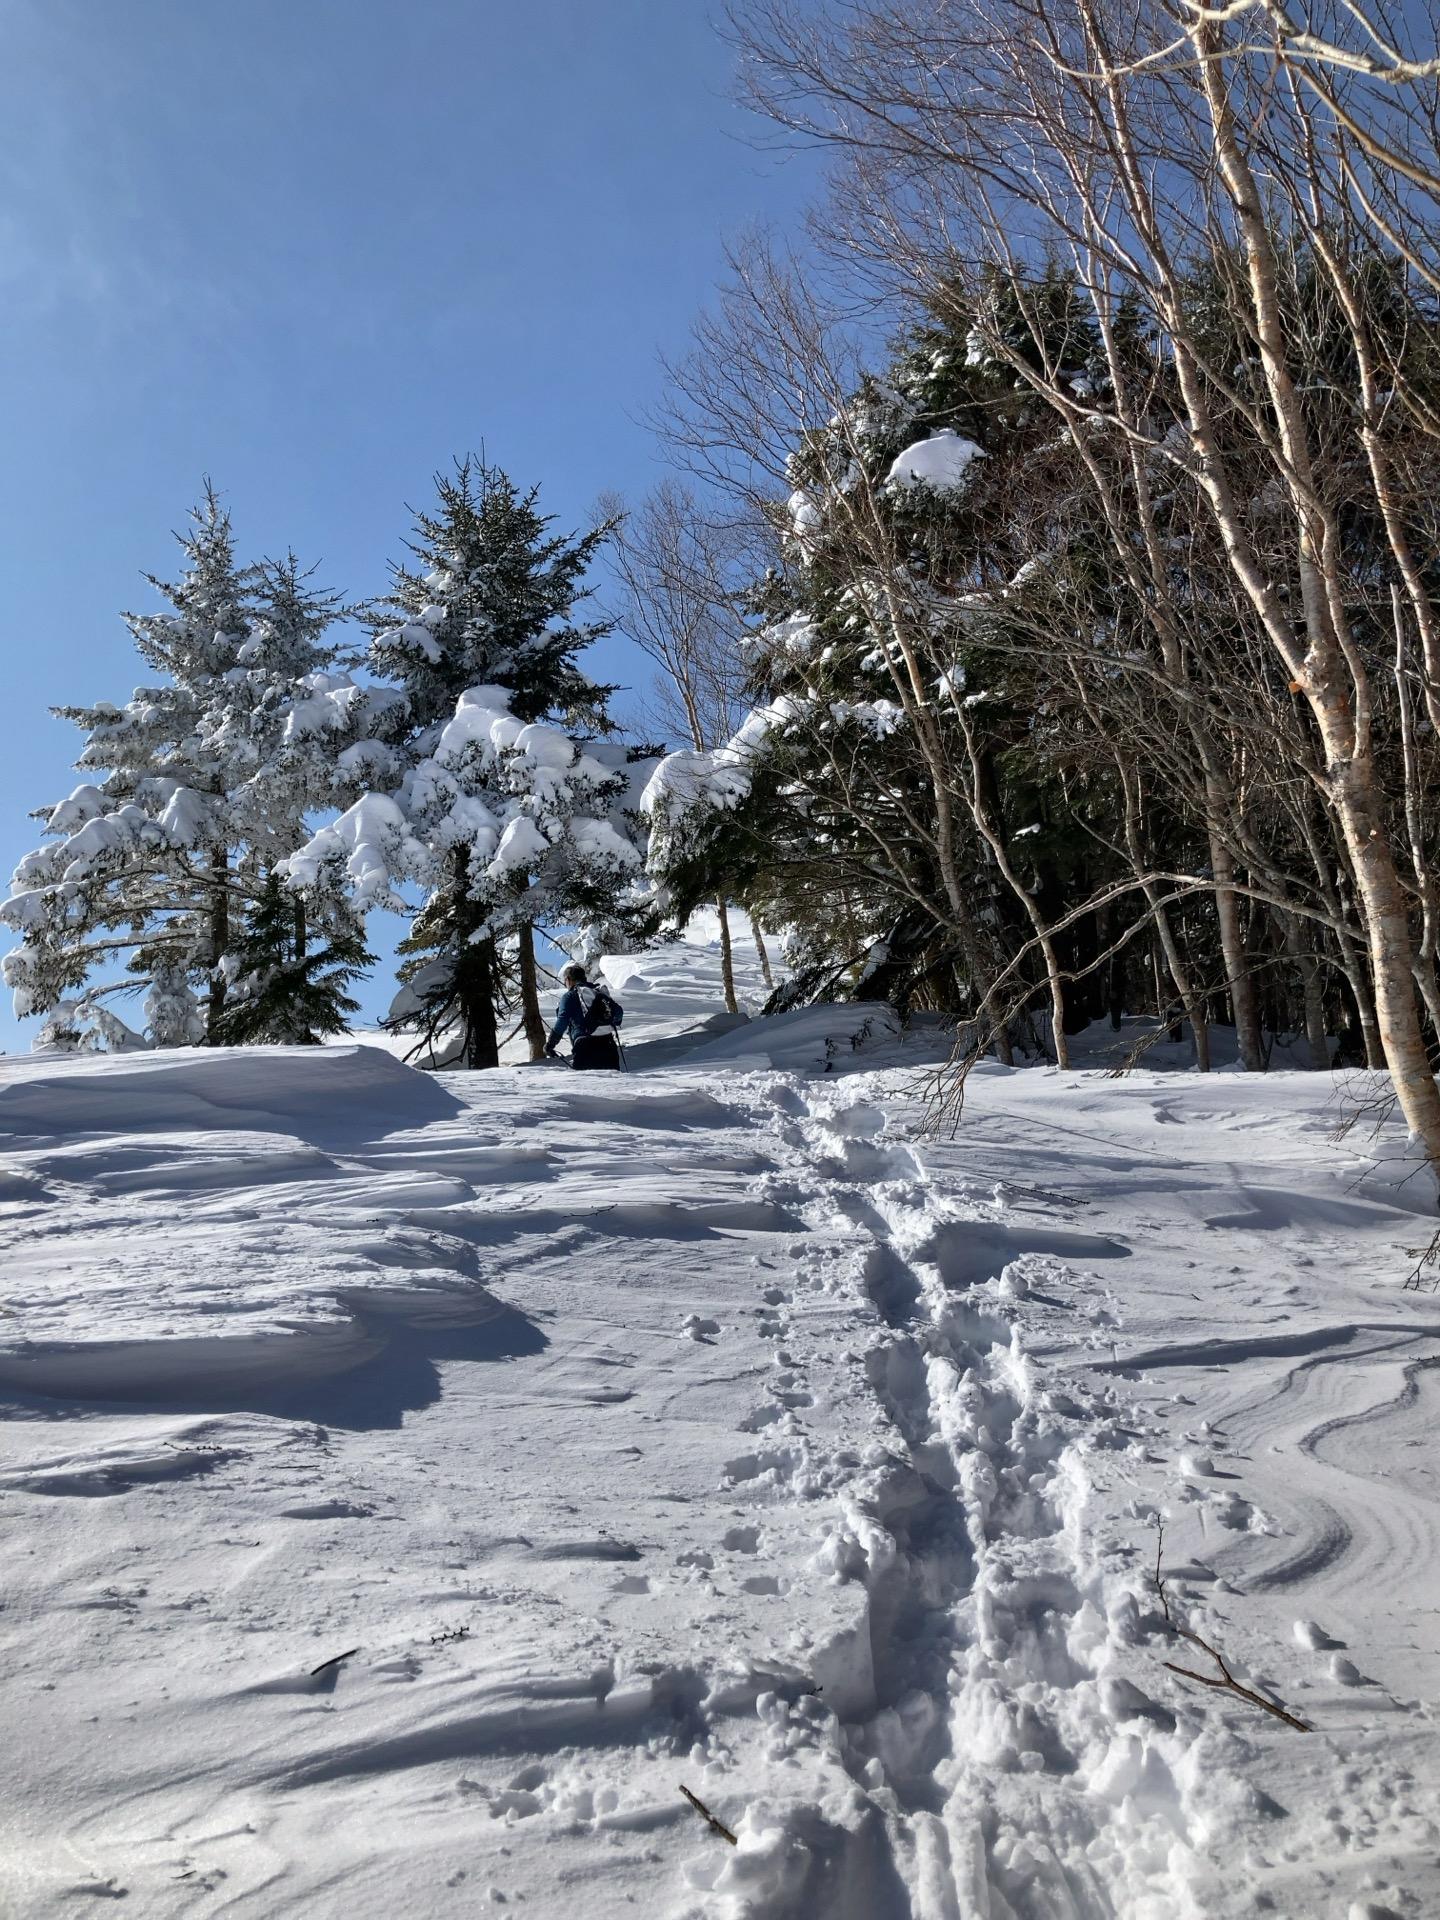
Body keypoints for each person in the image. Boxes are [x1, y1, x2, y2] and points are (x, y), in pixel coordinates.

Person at [545, 962, 624, 1071]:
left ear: (568, 980)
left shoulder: (570, 996)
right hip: (608, 1045)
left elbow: (562, 1020)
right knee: (612, 1085)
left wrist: (550, 1044)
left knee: (586, 1085)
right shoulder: (598, 993)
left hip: (585, 1046)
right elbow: (618, 1013)